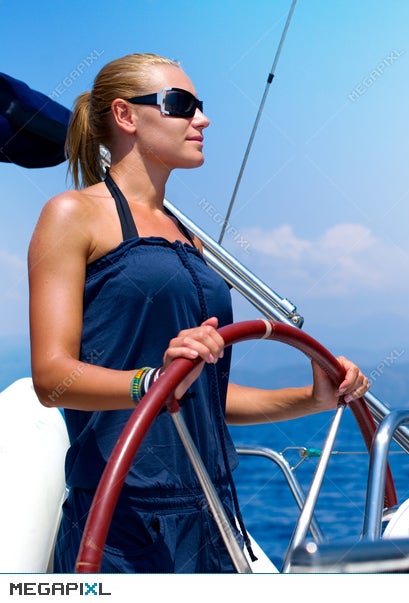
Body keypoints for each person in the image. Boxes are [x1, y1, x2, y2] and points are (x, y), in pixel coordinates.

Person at [27, 53, 371, 573]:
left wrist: (312, 398)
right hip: (121, 520)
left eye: (200, 106)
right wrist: (151, 382)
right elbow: (53, 379)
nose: (202, 120)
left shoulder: (191, 242)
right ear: (125, 115)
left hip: (213, 512)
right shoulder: (73, 215)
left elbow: (202, 394)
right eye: (181, 105)